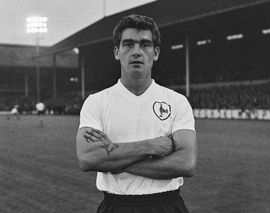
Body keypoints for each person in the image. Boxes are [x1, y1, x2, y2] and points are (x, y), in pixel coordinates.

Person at [76, 14, 197, 213]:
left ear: (156, 52)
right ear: (117, 52)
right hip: (116, 206)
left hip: (167, 205)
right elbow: (88, 158)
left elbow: (186, 163)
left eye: (145, 45)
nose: (137, 52)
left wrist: (114, 161)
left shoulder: (176, 101)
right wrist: (151, 146)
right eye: (128, 44)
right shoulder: (96, 102)